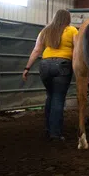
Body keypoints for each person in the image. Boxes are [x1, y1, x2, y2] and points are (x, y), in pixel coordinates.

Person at [22, 9, 78, 141]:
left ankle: (48, 129)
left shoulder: (45, 31)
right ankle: (55, 133)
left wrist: (27, 68)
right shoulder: (72, 30)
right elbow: (77, 50)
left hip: (45, 66)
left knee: (50, 96)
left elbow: (36, 50)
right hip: (63, 66)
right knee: (58, 98)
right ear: (68, 18)